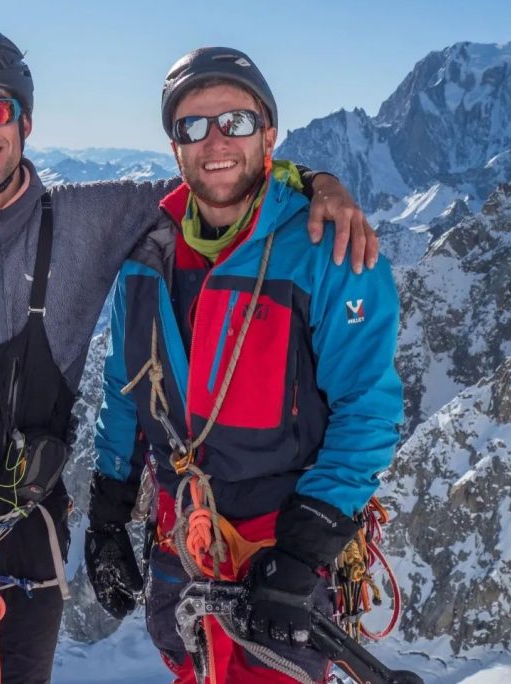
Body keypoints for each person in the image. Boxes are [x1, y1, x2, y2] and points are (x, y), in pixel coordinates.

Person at [0, 25, 377, 684]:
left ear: (25, 119)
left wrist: (317, 182)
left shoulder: (91, 219)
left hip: (27, 540)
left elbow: (218, 178)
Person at [86, 47, 404, 684]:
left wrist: (304, 546)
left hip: (279, 538)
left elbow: (367, 409)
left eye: (234, 121)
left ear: (269, 134)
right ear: (175, 146)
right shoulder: (146, 260)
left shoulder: (327, 250)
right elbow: (126, 393)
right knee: (189, 666)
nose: (214, 142)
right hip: (183, 534)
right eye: (193, 127)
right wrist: (108, 510)